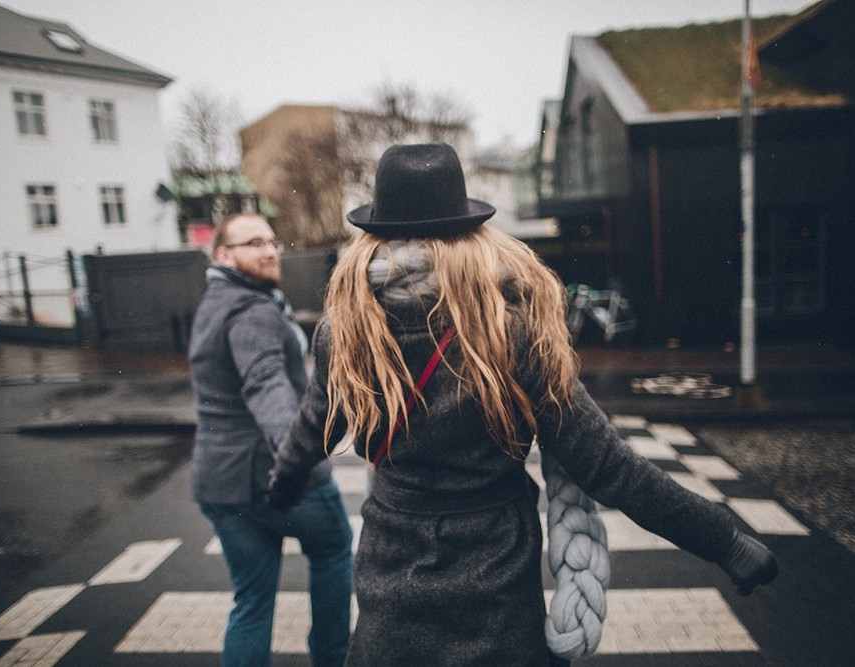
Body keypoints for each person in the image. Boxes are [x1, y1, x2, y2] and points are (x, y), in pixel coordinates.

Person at [267, 143, 777, 665]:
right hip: (496, 582)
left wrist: (281, 488)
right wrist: (726, 543)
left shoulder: (349, 328)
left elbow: (316, 428)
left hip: (391, 575)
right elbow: (607, 466)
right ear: (470, 232)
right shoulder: (509, 331)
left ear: (375, 233)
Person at [189, 212, 353, 667]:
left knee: (252, 602)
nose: (268, 250)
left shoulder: (215, 304)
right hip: (274, 473)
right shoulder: (253, 311)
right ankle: (331, 657)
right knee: (335, 550)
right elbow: (266, 384)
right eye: (253, 243)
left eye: (272, 241)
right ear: (223, 255)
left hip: (219, 483)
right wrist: (294, 457)